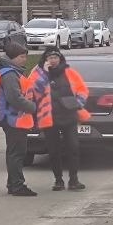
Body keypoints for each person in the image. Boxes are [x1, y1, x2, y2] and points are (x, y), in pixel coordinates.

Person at [29, 47, 90, 192]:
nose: (53, 60)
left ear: (60, 58)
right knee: (53, 150)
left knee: (73, 147)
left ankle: (74, 180)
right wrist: (44, 73)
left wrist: (77, 104)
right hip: (49, 118)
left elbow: (83, 89)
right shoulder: (38, 74)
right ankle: (58, 181)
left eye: (55, 57)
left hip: (69, 116)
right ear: (45, 60)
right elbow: (33, 91)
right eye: (49, 57)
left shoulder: (70, 72)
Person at [0, 41, 38, 197]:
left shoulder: (12, 72)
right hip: (13, 119)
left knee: (15, 152)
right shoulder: (9, 74)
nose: (25, 59)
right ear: (12, 58)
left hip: (13, 118)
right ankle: (17, 185)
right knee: (17, 153)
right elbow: (14, 98)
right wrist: (34, 108)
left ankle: (13, 184)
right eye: (22, 56)